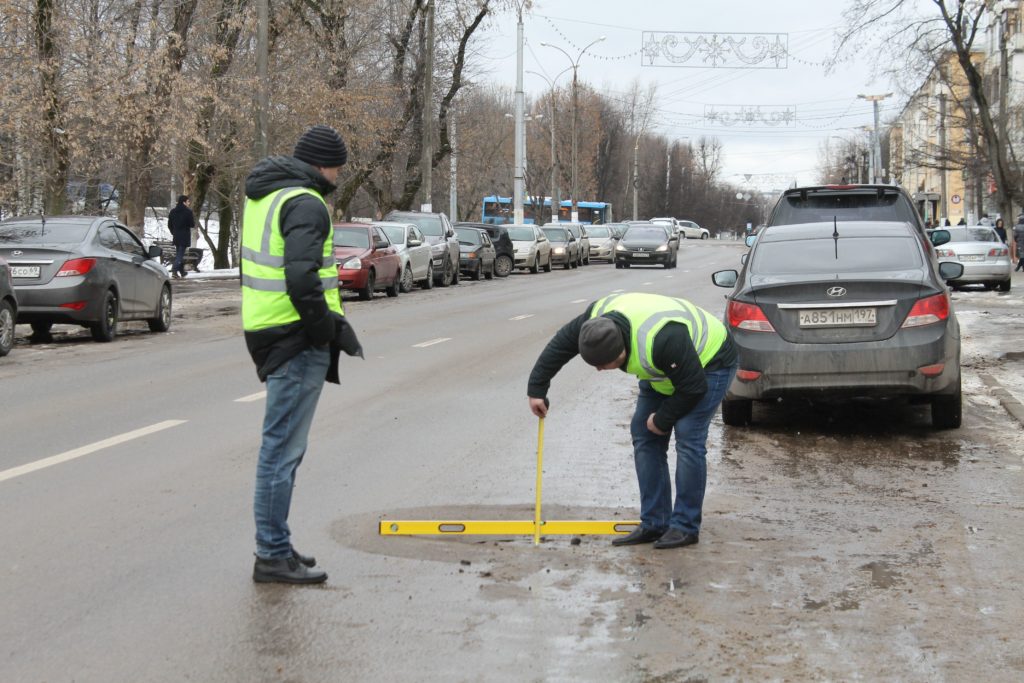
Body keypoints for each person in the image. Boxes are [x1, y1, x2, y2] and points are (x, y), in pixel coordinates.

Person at [242, 124, 364, 584]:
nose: (337, 175)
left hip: (267, 329)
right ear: (321, 164)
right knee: (281, 452)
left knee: (281, 450)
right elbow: (301, 276)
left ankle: (277, 544)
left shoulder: (264, 197)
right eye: (336, 166)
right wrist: (320, 332)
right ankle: (271, 554)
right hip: (295, 338)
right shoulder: (306, 203)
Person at [527, 293, 738, 549]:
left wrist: (662, 419)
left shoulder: (662, 338)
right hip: (665, 372)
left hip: (710, 364)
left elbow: (693, 387)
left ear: (623, 349)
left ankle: (685, 527)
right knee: (643, 433)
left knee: (688, 435)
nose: (600, 370)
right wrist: (537, 388)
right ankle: (655, 522)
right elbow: (561, 344)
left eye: (606, 364)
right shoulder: (595, 322)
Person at [167, 195, 195, 279]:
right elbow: (192, 224)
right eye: (188, 201)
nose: (189, 203)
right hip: (184, 236)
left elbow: (169, 224)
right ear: (184, 202)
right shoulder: (188, 212)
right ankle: (174, 271)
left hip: (176, 236)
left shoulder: (173, 211)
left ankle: (182, 272)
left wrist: (174, 232)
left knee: (179, 254)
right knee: (180, 254)